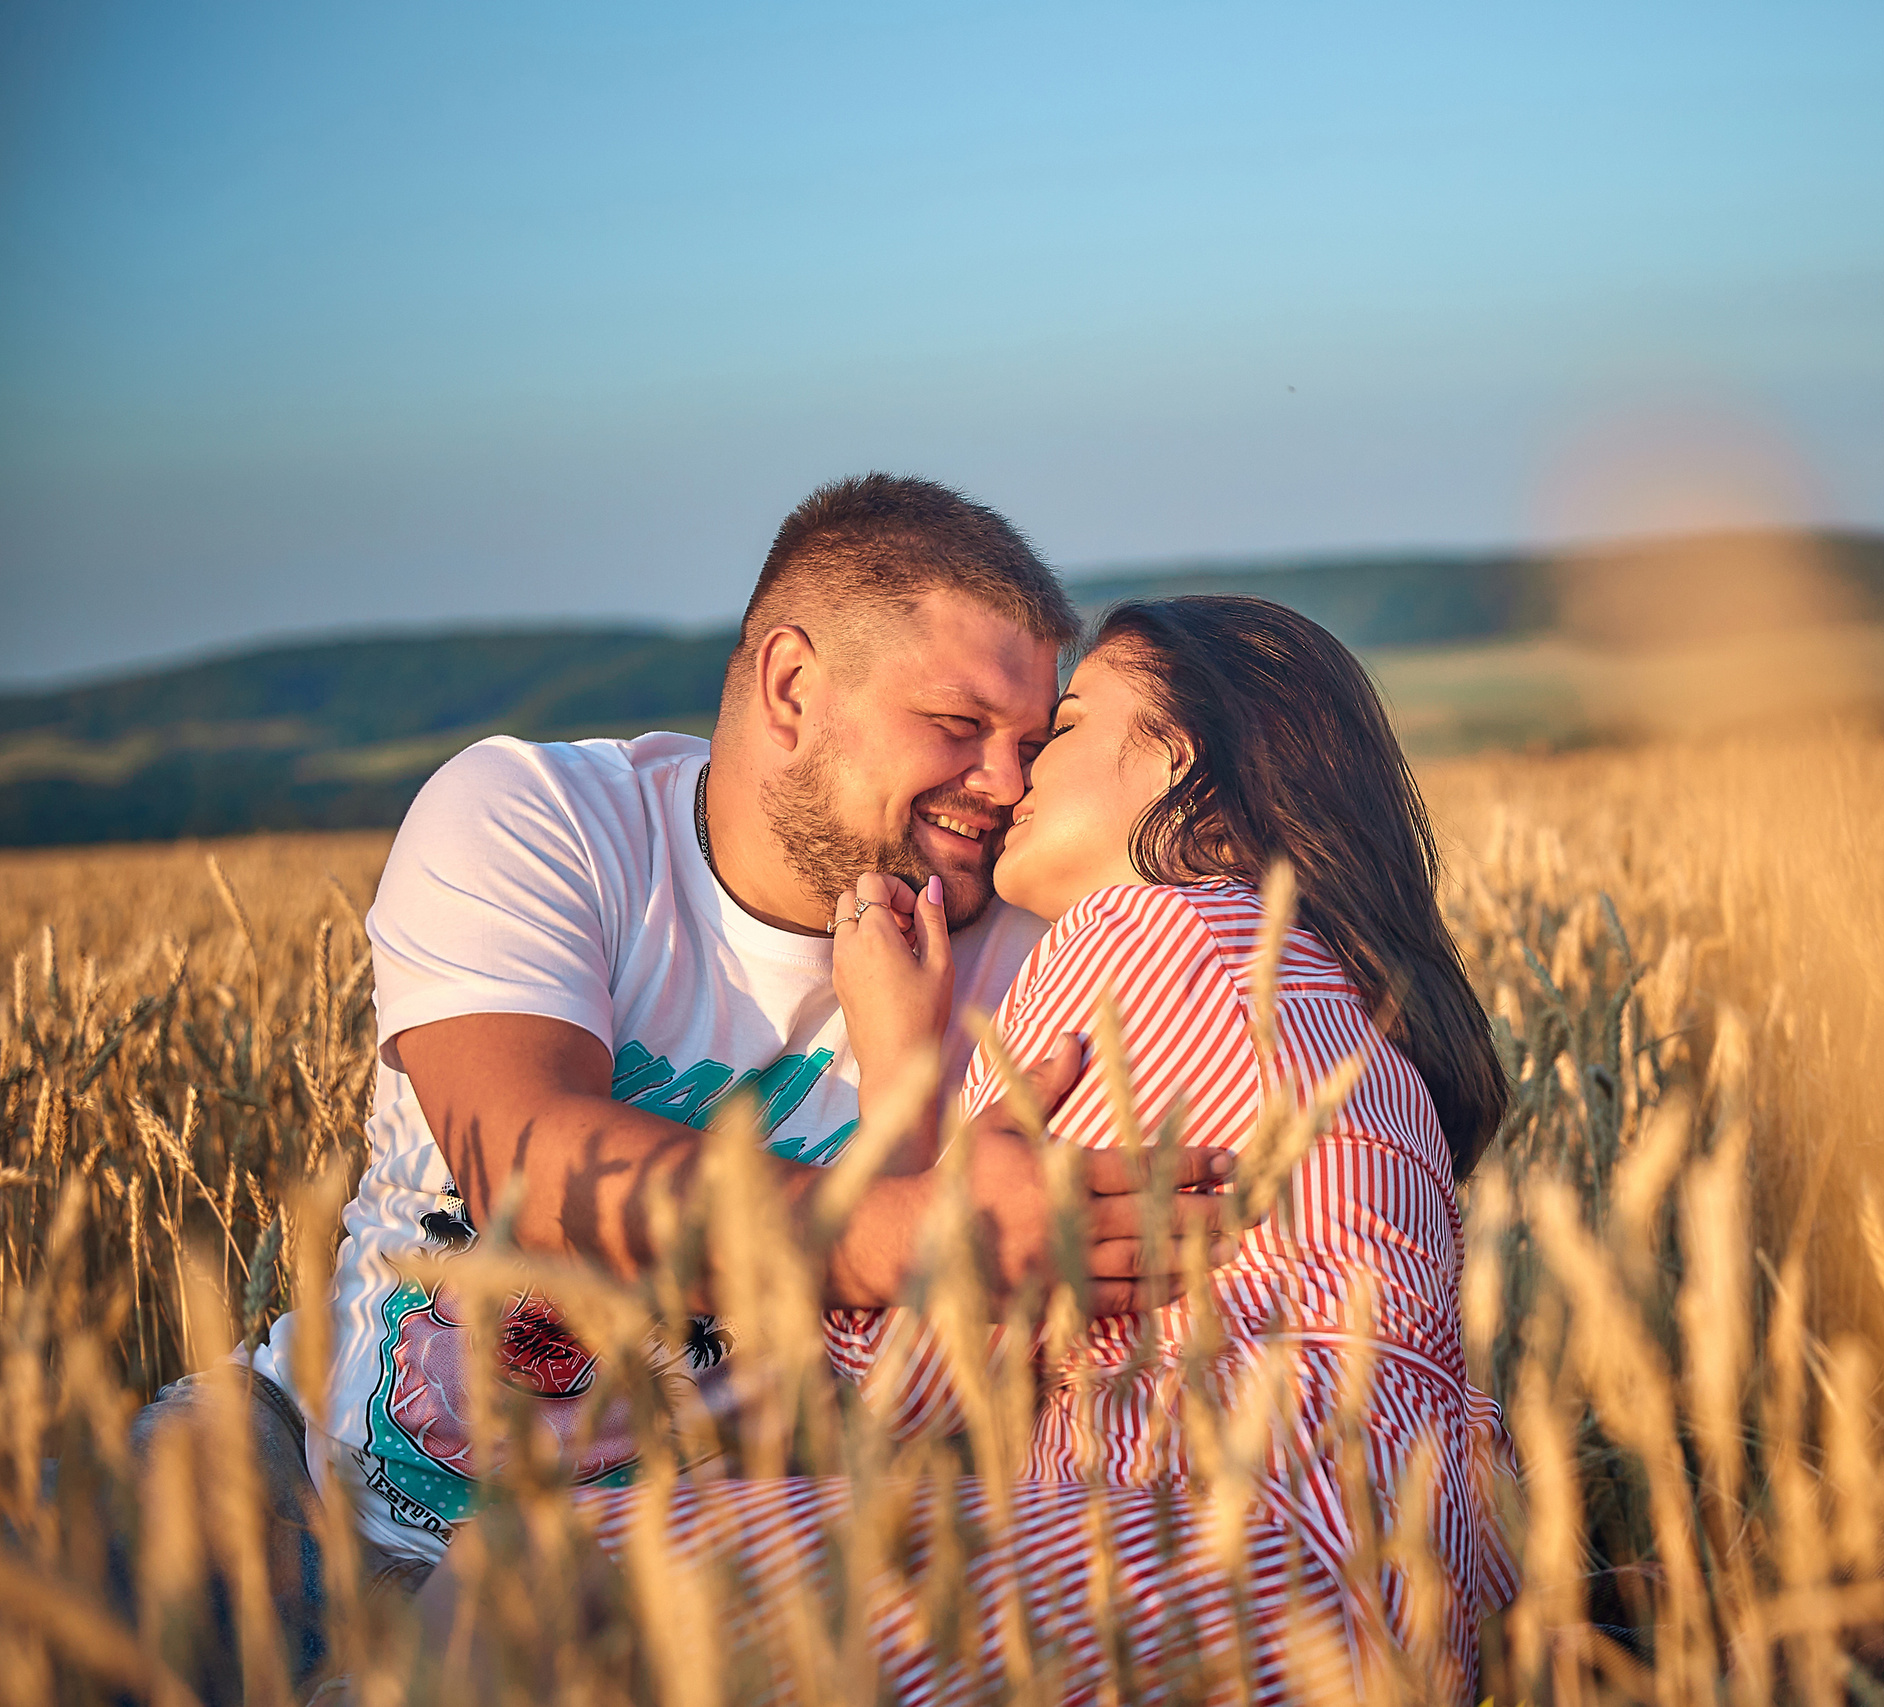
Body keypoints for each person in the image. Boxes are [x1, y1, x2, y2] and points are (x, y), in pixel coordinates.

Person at [198, 475, 1251, 1608]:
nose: (1004, 784)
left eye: (1032, 742)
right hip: (276, 1478)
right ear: (792, 687)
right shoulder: (535, 815)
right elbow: (533, 1165)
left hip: (661, 1587)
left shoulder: (1042, 952)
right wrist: (913, 1234)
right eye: (957, 726)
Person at [575, 596, 1521, 1703]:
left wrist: (896, 1061)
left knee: (538, 1573)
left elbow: (904, 1395)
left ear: (1177, 762)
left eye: (1060, 731)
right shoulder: (1344, 1020)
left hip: (1205, 1573)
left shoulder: (1136, 933)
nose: (1011, 781)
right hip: (1386, 1612)